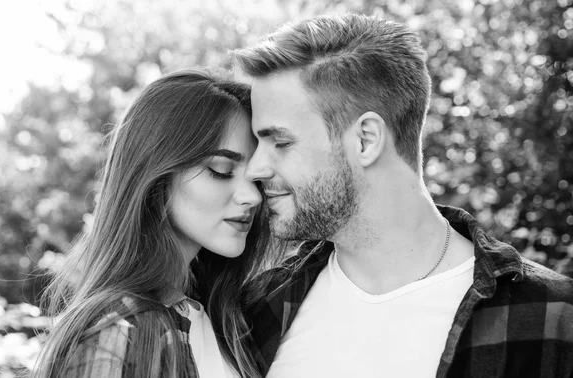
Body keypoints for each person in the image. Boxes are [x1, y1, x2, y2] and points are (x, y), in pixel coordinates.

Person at [232, 13, 573, 378]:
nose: (255, 169)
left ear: (366, 140)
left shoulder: (554, 318)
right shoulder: (257, 311)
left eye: (280, 142)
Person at [32, 69, 279, 378]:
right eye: (221, 169)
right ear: (156, 176)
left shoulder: (228, 324)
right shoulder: (117, 332)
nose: (252, 197)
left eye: (255, 177)